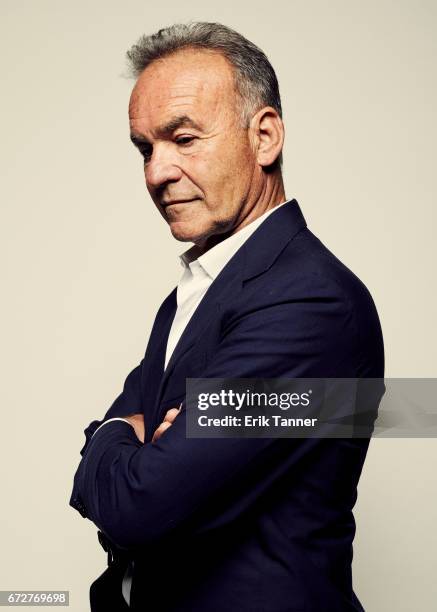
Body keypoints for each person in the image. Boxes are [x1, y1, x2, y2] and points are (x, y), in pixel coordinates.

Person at [69, 22, 384, 611]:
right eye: (145, 148)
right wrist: (136, 439)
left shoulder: (311, 304)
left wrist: (113, 437)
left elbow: (139, 505)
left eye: (183, 139)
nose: (156, 173)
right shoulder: (199, 288)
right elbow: (143, 461)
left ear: (264, 137)